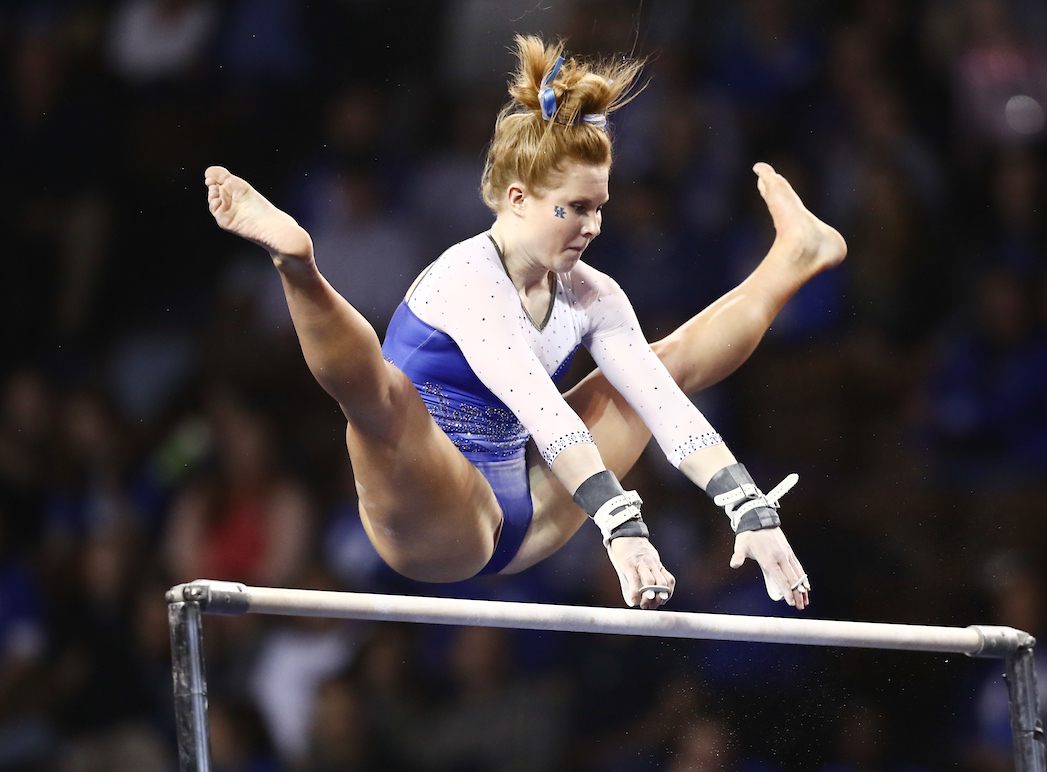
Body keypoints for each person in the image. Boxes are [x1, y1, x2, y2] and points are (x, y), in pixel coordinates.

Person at [203, 36, 846, 610]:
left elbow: (665, 406)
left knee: (661, 364)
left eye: (600, 208)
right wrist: (622, 529)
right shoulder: (466, 280)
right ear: (518, 198)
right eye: (574, 209)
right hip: (435, 520)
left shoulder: (593, 293)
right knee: (383, 399)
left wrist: (749, 507)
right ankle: (299, 268)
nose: (593, 227)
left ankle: (794, 258)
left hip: (529, 515)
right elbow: (542, 409)